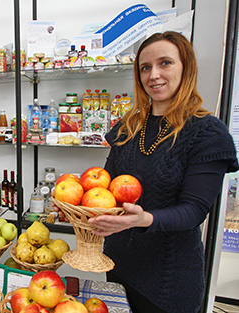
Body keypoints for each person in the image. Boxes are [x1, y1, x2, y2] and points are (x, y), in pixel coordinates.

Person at [57, 31, 239, 313]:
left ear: (185, 68)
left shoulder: (206, 133)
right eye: (145, 67)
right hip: (119, 267)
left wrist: (144, 219)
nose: (154, 75)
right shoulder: (127, 128)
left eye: (165, 63)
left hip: (169, 282)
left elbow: (194, 211)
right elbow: (105, 192)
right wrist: (79, 206)